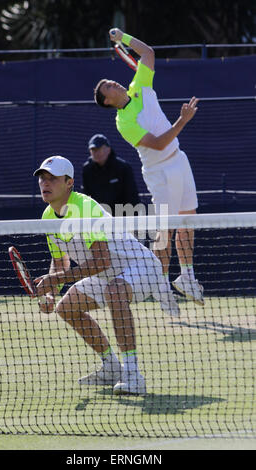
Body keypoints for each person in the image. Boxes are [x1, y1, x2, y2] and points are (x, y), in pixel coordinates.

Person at [33, 155, 181, 396]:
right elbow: (60, 260)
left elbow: (102, 260)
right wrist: (51, 293)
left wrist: (56, 279)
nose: (45, 184)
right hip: (107, 274)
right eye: (42, 179)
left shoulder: (85, 208)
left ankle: (133, 375)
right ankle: (112, 367)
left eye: (52, 179)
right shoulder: (48, 217)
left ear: (69, 182)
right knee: (66, 308)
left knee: (115, 292)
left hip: (141, 267)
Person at [93, 28, 204, 306]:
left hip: (179, 160)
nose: (114, 84)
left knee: (187, 221)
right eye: (109, 88)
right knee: (164, 230)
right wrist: (183, 121)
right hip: (159, 172)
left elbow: (149, 53)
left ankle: (187, 276)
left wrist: (123, 38)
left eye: (112, 81)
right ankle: (159, 283)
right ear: (108, 102)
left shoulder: (139, 86)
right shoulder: (124, 123)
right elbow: (156, 143)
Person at [82, 133, 141, 216]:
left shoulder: (123, 168)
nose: (96, 152)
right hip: (98, 218)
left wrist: (132, 221)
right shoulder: (87, 169)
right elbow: (86, 196)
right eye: (93, 150)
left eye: (99, 149)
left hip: (121, 217)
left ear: (108, 149)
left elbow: (132, 196)